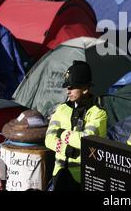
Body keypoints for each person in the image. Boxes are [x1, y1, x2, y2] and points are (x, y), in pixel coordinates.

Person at [45, 61, 107, 190]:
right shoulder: (62, 109)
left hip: (83, 178)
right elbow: (48, 139)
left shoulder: (98, 113)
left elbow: (86, 141)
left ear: (85, 89)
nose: (68, 91)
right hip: (59, 175)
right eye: (67, 87)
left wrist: (61, 133)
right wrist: (66, 149)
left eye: (72, 87)